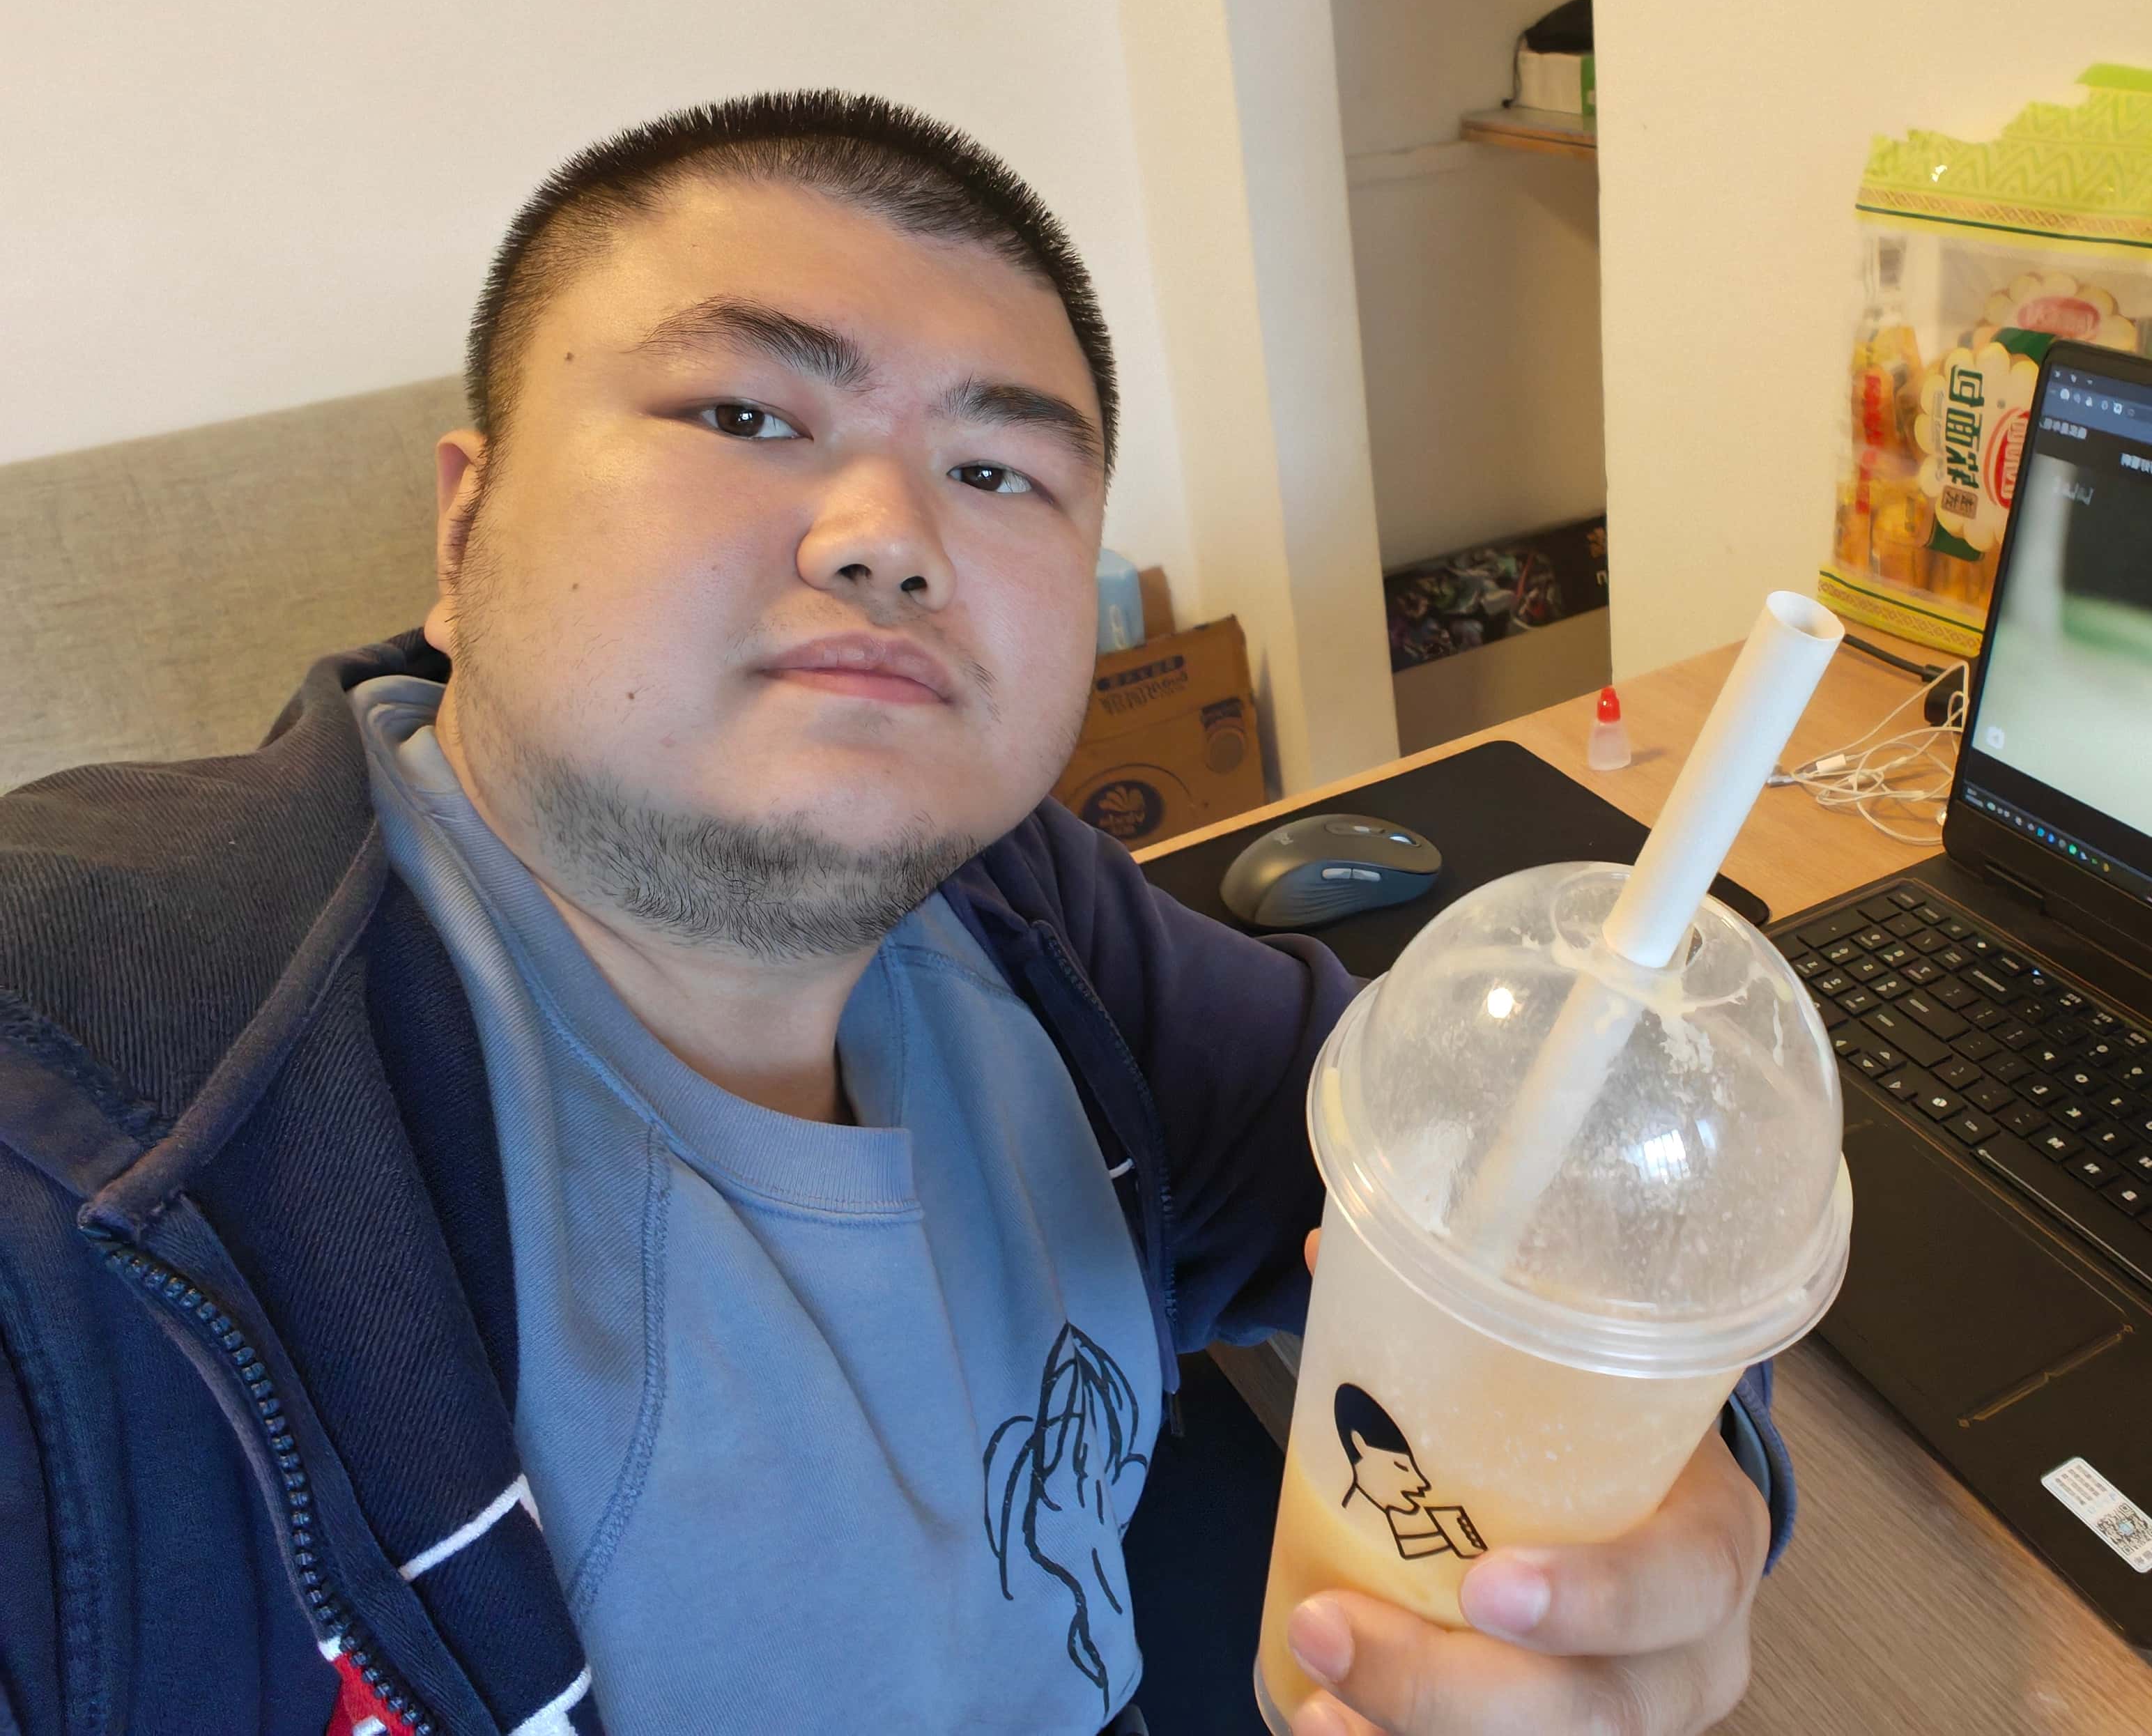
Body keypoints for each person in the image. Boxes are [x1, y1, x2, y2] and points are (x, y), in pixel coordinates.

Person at [0, 94, 1785, 1736]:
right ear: (464, 533)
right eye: (746, 416)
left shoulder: (1015, 918)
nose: (889, 536)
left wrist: (1670, 1484)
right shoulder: (86, 1133)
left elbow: (1504, 1176)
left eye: (999, 472)